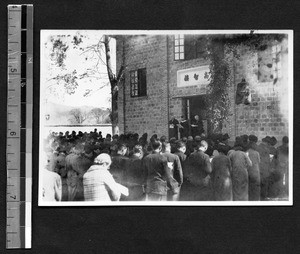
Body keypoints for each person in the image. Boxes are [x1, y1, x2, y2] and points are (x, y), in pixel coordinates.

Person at [247, 135, 261, 201]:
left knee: (249, 186)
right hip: (255, 171)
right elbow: (259, 161)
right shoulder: (256, 153)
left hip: (249, 171)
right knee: (256, 187)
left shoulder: (246, 153)